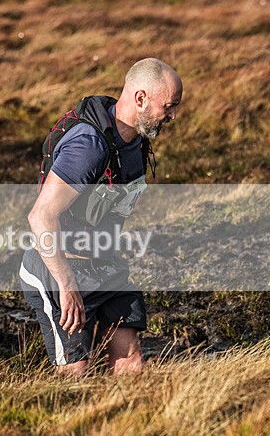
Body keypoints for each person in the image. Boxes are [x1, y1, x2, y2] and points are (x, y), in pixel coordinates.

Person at [20, 58, 183, 376]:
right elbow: (40, 217)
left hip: (105, 266)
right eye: (169, 106)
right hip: (59, 270)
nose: (173, 116)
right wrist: (67, 286)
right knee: (77, 374)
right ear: (140, 98)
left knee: (132, 364)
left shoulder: (136, 138)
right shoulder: (89, 146)